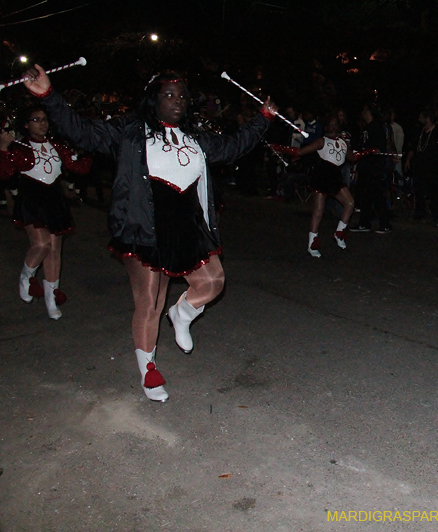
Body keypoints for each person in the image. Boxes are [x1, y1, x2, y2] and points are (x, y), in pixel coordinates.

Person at [21, 65, 276, 402]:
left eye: (182, 96)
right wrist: (48, 96)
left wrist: (263, 118)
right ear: (154, 99)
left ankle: (181, 314)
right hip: (144, 227)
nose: (177, 101)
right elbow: (81, 132)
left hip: (188, 228)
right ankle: (149, 370)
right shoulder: (130, 132)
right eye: (168, 95)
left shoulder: (195, 138)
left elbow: (233, 146)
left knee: (214, 282)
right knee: (150, 303)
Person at [0, 104, 92, 319]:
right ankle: (27, 277)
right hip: (32, 200)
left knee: (54, 249)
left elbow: (79, 168)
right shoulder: (20, 147)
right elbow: (5, 173)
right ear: (26, 124)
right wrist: (3, 148)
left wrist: (87, 147)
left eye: (44, 119)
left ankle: (51, 298)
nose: (42, 124)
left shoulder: (56, 145)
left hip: (54, 200)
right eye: (36, 120)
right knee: (41, 244)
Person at [295, 115, 355, 257]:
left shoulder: (343, 143)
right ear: (326, 127)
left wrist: (367, 151)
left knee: (350, 203)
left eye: (335, 124)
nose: (333, 126)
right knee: (318, 211)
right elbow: (301, 151)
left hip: (336, 177)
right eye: (330, 124)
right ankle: (312, 243)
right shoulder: (321, 141)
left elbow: (352, 157)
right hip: (322, 176)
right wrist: (282, 149)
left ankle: (339, 233)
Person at [351, 104, 392, 233]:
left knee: (377, 195)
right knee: (365, 196)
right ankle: (365, 222)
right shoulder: (366, 128)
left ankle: (385, 224)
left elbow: (379, 148)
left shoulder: (377, 127)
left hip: (373, 167)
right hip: (365, 166)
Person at [405, 109, 438, 221]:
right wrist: (408, 160)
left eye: (421, 117)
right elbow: (413, 147)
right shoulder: (419, 131)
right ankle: (419, 212)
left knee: (435, 191)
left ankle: (436, 214)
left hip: (433, 167)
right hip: (419, 166)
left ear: (427, 119)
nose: (419, 119)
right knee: (418, 190)